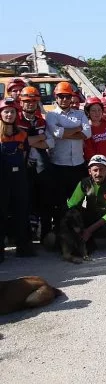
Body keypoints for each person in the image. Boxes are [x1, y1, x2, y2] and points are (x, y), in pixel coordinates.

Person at [45, 81, 91, 227]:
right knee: (59, 203)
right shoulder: (51, 115)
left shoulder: (80, 113)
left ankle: (78, 234)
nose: (64, 99)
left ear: (72, 97)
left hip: (78, 165)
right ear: (56, 97)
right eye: (61, 96)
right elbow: (57, 133)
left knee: (77, 202)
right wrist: (77, 129)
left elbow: (87, 133)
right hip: (59, 166)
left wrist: (65, 133)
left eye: (67, 96)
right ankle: (60, 235)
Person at [16, 86, 54, 240]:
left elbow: (50, 143)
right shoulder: (15, 119)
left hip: (41, 166)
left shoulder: (41, 121)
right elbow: (18, 142)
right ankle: (25, 237)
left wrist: (28, 140)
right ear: (21, 102)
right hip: (22, 166)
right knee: (25, 201)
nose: (30, 103)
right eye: (27, 101)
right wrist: (38, 139)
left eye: (33, 100)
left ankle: (45, 234)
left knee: (45, 199)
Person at [0, 97, 35, 261]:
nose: (9, 114)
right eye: (6, 111)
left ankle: (23, 247)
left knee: (22, 212)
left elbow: (25, 155)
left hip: (19, 177)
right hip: (2, 179)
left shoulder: (22, 134)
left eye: (12, 112)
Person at [65, 154, 106, 250]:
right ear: (89, 171)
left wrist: (89, 230)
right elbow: (71, 204)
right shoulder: (84, 183)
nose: (98, 173)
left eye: (102, 169)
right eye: (95, 170)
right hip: (93, 214)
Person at [83, 96, 106, 172]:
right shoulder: (86, 129)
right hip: (96, 169)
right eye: (93, 110)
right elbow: (88, 152)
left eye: (99, 110)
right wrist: (101, 167)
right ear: (88, 112)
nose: (97, 113)